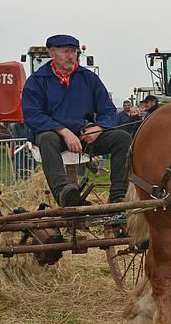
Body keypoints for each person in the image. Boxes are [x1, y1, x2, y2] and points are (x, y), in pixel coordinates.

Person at [21, 34, 131, 207]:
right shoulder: (37, 81)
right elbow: (33, 115)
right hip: (55, 136)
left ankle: (118, 195)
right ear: (52, 54)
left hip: (84, 135)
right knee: (47, 138)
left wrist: (99, 128)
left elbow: (107, 109)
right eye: (66, 51)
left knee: (122, 138)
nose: (71, 56)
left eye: (74, 52)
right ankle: (63, 192)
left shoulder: (89, 78)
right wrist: (63, 132)